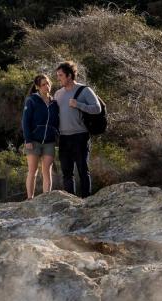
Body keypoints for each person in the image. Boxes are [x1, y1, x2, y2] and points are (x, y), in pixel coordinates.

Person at [53, 61, 101, 198]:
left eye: (60, 75)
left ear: (69, 75)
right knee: (67, 173)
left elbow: (97, 108)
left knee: (82, 170)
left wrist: (78, 104)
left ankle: (87, 201)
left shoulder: (85, 90)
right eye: (58, 75)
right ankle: (71, 202)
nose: (59, 78)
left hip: (80, 136)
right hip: (63, 138)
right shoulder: (58, 94)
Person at [21, 74, 59, 199]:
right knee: (33, 171)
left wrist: (56, 135)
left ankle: (46, 199)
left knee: (47, 171)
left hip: (49, 142)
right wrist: (28, 139)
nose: (47, 86)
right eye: (43, 84)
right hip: (34, 141)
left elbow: (57, 121)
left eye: (48, 83)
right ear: (37, 87)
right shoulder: (32, 100)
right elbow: (25, 122)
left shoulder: (54, 103)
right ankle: (30, 198)